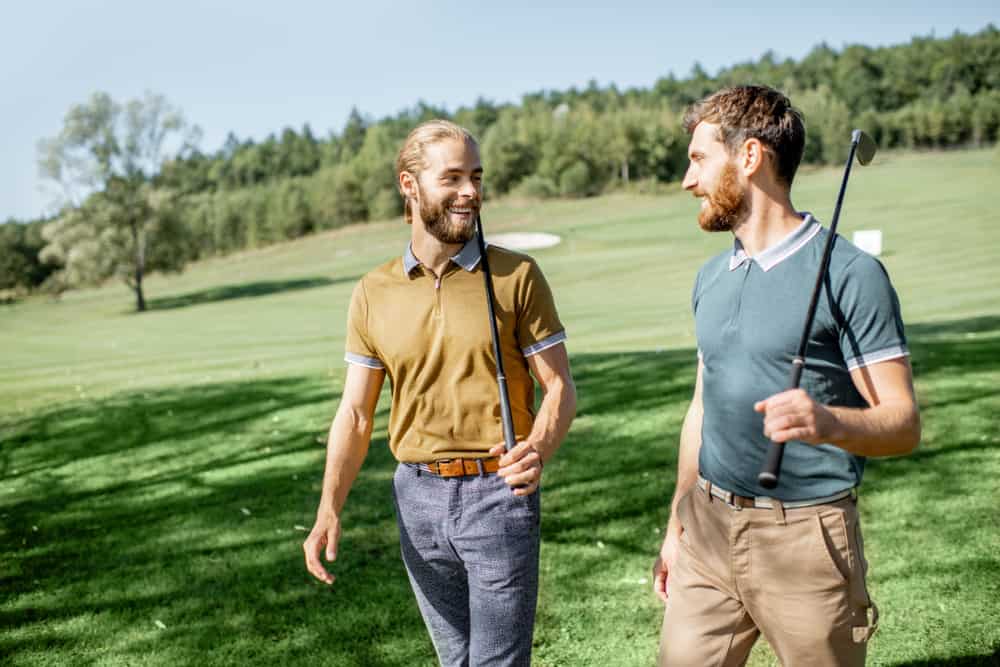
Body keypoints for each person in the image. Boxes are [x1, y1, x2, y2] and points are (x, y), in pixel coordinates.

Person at [652, 85, 920, 666]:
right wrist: (678, 522)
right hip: (707, 529)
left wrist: (825, 422)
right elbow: (702, 409)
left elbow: (902, 424)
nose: (687, 180)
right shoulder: (711, 277)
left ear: (750, 157)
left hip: (807, 539)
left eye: (699, 159)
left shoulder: (851, 274)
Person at [303, 119, 576, 667]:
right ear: (410, 185)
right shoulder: (372, 292)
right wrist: (329, 507)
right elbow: (356, 414)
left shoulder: (515, 275)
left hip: (498, 495)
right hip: (416, 500)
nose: (470, 191)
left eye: (476, 177)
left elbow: (559, 387)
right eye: (452, 178)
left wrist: (538, 449)